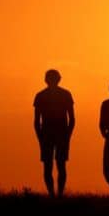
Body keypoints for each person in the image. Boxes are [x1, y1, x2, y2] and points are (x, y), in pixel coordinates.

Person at [34, 69, 75, 198]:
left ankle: (56, 194)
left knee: (53, 165)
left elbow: (72, 119)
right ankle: (55, 194)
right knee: (56, 165)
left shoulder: (42, 95)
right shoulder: (44, 96)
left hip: (54, 134)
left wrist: (67, 135)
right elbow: (36, 121)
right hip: (53, 134)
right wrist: (67, 135)